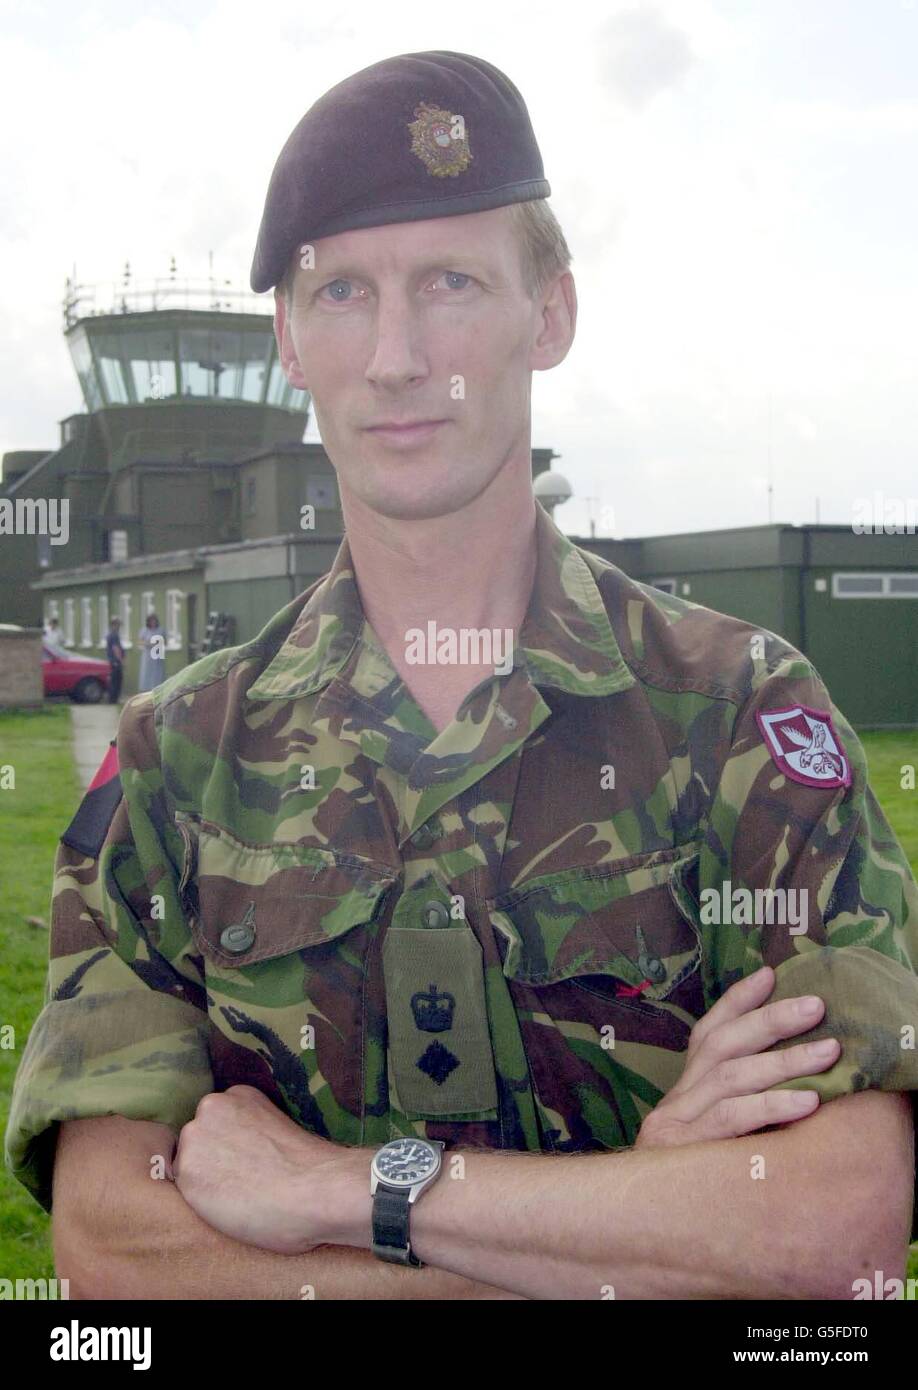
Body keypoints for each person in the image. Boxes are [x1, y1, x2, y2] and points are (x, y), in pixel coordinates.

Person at [5, 51, 917, 1301]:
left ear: (549, 312)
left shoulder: (745, 716)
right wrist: (638, 1232)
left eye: (450, 282)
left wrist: (346, 1191)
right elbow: (114, 1243)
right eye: (340, 293)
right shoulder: (178, 760)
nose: (396, 355)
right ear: (286, 338)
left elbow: (837, 1224)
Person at [137, 611, 165, 692]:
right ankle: (146, 690)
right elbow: (140, 642)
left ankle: (158, 690)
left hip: (157, 656)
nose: (153, 622)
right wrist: (148, 643)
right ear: (148, 621)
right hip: (148, 656)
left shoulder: (161, 630)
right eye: (151, 620)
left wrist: (158, 643)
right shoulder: (144, 630)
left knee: (157, 674)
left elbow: (164, 641)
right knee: (147, 674)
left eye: (154, 620)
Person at [105, 616, 124, 704]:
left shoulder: (111, 634)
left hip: (112, 660)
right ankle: (113, 699)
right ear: (113, 625)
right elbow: (115, 648)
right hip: (115, 661)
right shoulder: (114, 635)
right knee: (116, 680)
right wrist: (120, 660)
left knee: (114, 680)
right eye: (118, 625)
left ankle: (112, 699)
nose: (119, 627)